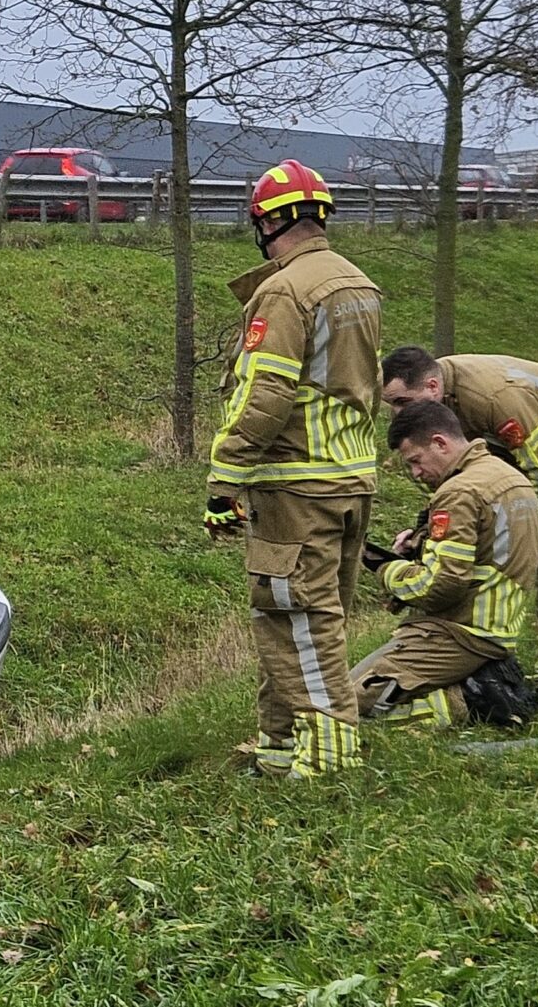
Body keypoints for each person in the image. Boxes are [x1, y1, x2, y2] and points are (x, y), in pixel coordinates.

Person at [204, 160, 384, 778]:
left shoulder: (285, 291)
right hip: (349, 479)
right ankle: (279, 746)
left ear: (269, 221)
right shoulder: (355, 282)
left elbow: (266, 394)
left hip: (296, 483)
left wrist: (225, 474)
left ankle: (330, 758)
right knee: (303, 615)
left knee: (296, 618)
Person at [378, 346, 538, 696]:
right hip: (520, 444)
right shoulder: (441, 404)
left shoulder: (492, 398)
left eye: (402, 401)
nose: (398, 412)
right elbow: (461, 480)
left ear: (433, 386)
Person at [352, 401, 538, 729]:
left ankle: (474, 699)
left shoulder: (460, 491)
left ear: (440, 443)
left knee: (349, 700)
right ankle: (485, 678)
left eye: (415, 461)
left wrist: (384, 569)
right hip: (495, 625)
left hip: (459, 632)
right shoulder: (509, 476)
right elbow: (485, 553)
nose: (415, 473)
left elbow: (441, 586)